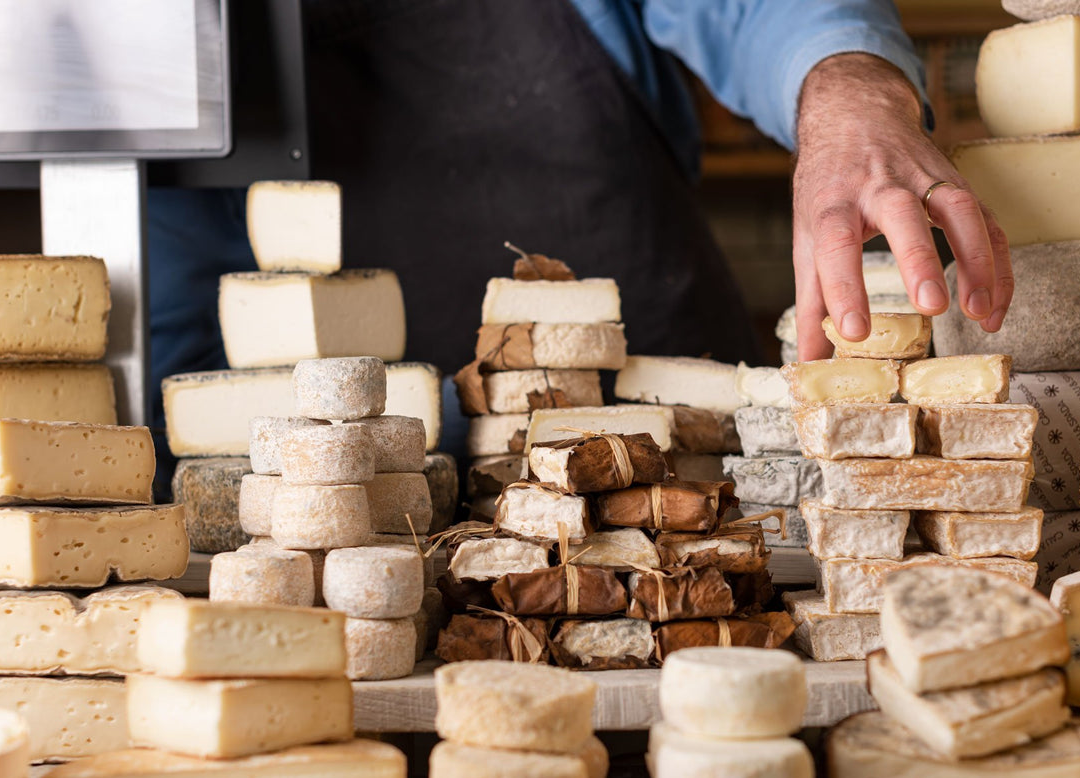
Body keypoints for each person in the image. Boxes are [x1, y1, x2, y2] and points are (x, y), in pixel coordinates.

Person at [149, 0, 1011, 463]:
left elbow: (757, 8)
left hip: (679, 442)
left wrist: (847, 90)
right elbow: (176, 356)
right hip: (376, 505)